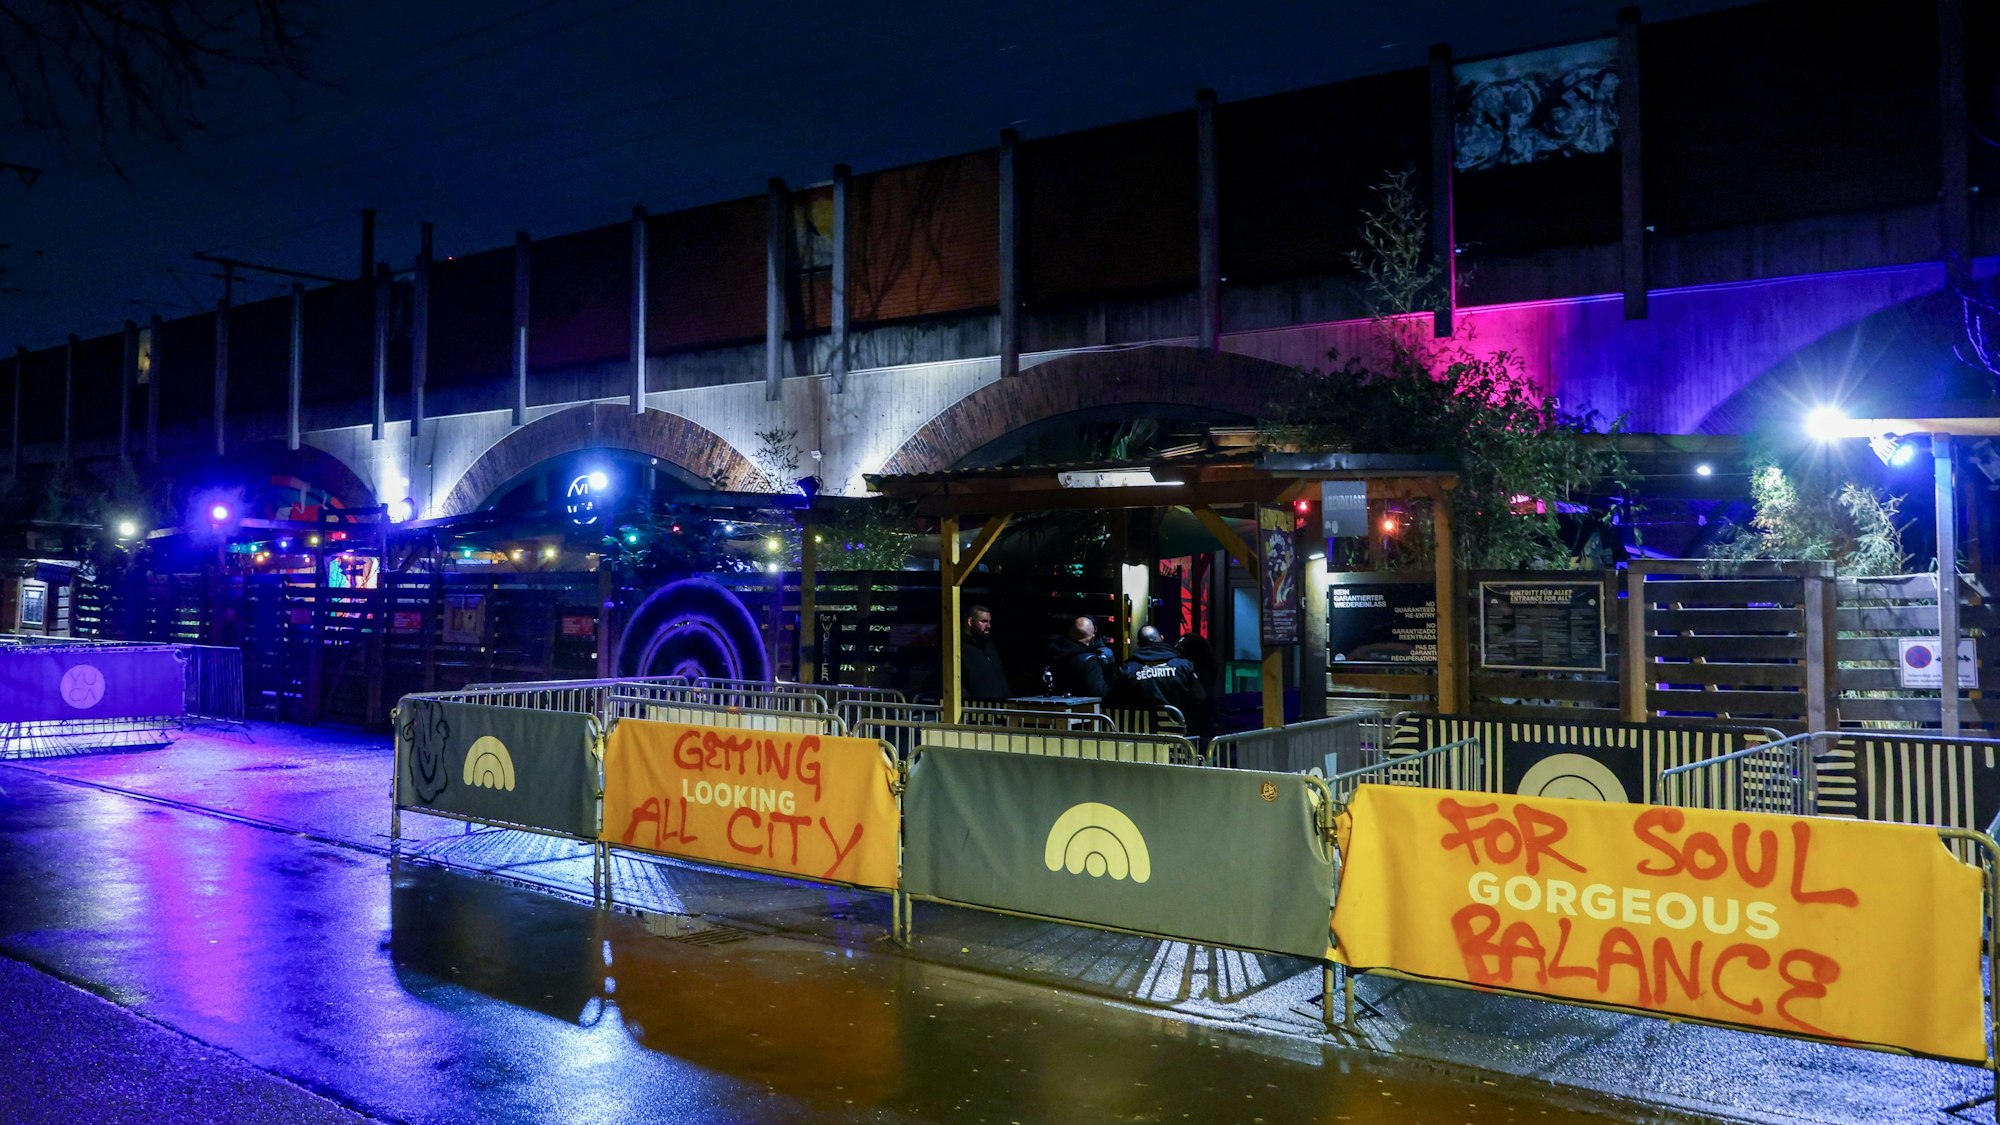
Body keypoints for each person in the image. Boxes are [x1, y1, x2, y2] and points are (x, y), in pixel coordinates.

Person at [1117, 625, 1207, 727]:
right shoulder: (1183, 666)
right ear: (1162, 638)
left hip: (1143, 734)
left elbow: (1117, 701)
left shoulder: (1129, 669)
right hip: (1179, 733)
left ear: (1139, 644)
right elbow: (1199, 698)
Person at [1043, 615, 1117, 697]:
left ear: (1070, 632)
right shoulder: (1091, 661)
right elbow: (1098, 694)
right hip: (1081, 708)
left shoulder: (1052, 651)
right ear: (1092, 638)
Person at [960, 604, 1012, 702]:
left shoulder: (990, 646)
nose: (988, 626)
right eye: (983, 621)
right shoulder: (960, 649)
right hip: (977, 710)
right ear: (970, 622)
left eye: (989, 622)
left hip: (1000, 707)